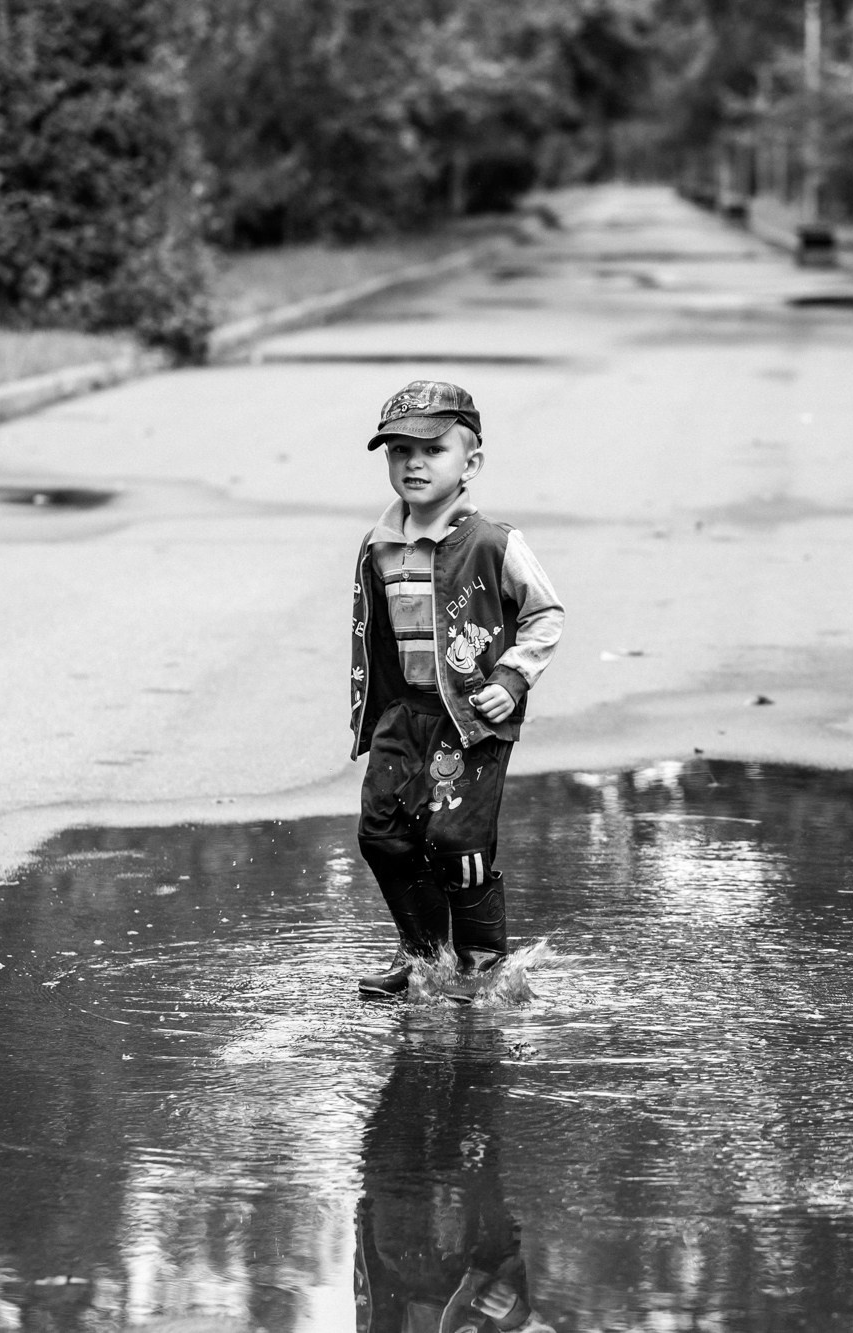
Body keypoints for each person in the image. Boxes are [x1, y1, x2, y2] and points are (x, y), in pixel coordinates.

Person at [351, 380, 565, 998]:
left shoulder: (494, 543)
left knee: (457, 843)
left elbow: (545, 614)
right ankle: (423, 956)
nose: (413, 463)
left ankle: (482, 964)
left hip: (470, 718)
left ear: (469, 463)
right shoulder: (378, 545)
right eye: (397, 451)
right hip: (406, 714)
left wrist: (513, 676)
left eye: (433, 450)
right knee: (383, 835)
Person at [356, 1023, 555, 1333]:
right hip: (475, 1250)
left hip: (395, 1237)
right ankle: (479, 1017)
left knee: (408, 1082)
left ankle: (423, 1004)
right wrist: (515, 1316)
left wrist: (366, 1213)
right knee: (474, 1096)